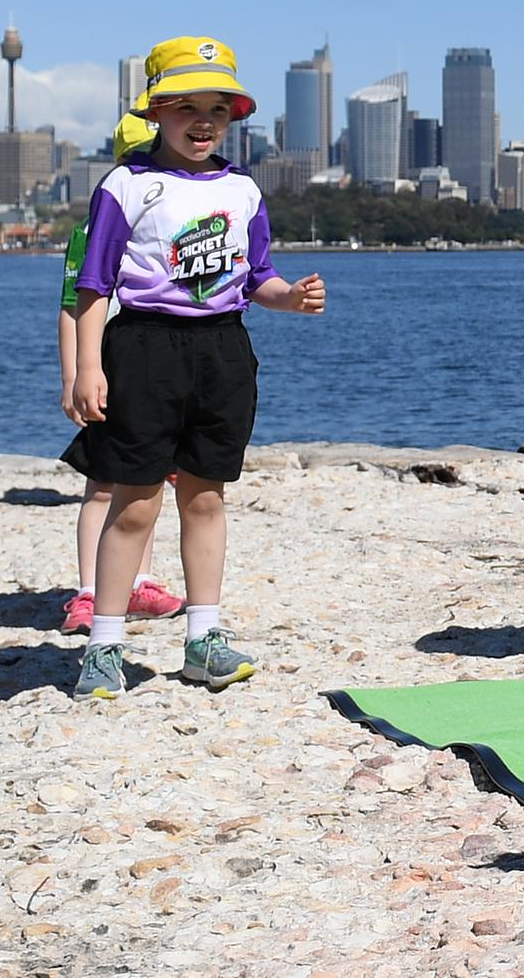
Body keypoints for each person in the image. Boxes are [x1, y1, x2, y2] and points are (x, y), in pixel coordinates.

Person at [63, 37, 326, 700]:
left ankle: (203, 638)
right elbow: (94, 284)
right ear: (156, 111)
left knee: (206, 496)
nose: (203, 121)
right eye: (185, 106)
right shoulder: (127, 186)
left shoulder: (242, 189)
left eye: (218, 108)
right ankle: (105, 644)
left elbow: (255, 275)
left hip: (222, 352)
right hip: (144, 348)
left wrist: (289, 298)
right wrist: (87, 367)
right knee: (134, 504)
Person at [56, 99, 176, 633]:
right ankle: (89, 590)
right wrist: (75, 375)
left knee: (149, 482)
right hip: (108, 366)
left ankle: (139, 581)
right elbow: (70, 307)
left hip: (155, 365)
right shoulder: (93, 231)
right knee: (104, 483)